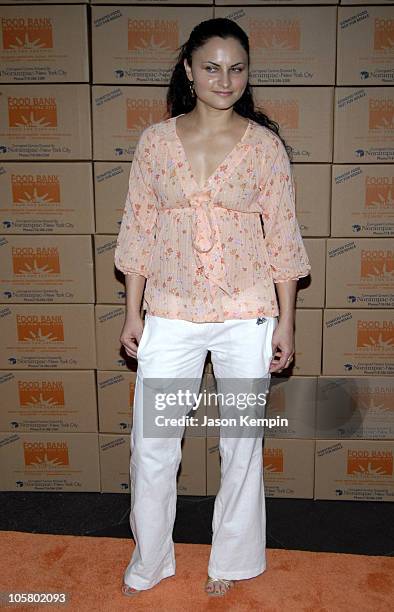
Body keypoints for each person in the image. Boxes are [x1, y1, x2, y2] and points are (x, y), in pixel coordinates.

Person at [114, 17, 311, 598]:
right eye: (211, 66)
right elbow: (138, 235)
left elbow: (283, 241)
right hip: (170, 312)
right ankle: (150, 560)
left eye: (237, 68)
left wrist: (285, 323)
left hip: (246, 313)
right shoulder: (155, 143)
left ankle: (232, 560)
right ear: (188, 70)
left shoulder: (265, 147)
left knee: (242, 443)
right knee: (152, 445)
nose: (224, 79)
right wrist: (134, 314)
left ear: (247, 75)